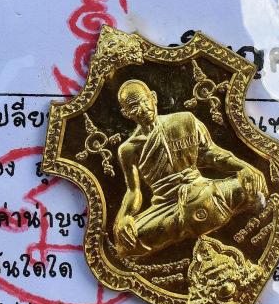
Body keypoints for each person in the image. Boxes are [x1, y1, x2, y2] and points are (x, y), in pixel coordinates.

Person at [114, 79, 267, 258]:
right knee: (126, 243)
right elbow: (133, 191)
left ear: (153, 98)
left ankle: (190, 222)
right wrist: (123, 217)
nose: (143, 108)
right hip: (166, 205)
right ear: (126, 113)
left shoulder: (185, 120)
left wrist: (244, 168)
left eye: (144, 100)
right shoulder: (128, 149)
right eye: (134, 106)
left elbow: (211, 154)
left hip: (202, 188)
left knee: (253, 185)